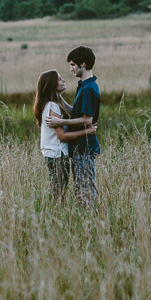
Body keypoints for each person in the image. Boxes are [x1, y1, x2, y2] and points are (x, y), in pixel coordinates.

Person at [45, 45, 100, 209]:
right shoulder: (83, 85)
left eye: (73, 65)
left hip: (84, 148)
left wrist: (60, 122)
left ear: (83, 64)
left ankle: (93, 225)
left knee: (86, 192)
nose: (71, 69)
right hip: (78, 148)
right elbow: (76, 114)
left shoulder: (89, 88)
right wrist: (59, 99)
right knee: (80, 191)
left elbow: (86, 120)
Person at [33, 69, 97, 203]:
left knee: (59, 193)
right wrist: (87, 131)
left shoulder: (54, 103)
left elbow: (74, 114)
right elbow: (61, 136)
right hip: (57, 156)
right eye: (59, 79)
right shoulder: (52, 106)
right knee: (58, 195)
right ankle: (55, 220)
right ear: (51, 85)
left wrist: (58, 96)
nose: (63, 80)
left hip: (55, 155)